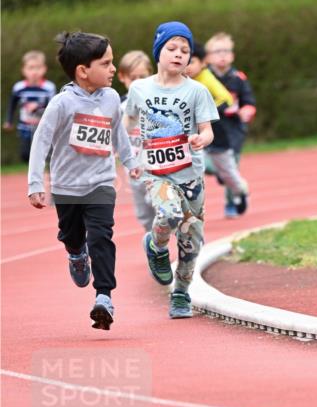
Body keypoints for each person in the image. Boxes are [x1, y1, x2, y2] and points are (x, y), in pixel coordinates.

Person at [27, 31, 139, 330]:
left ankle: (104, 296)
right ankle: (76, 254)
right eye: (106, 63)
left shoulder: (112, 98)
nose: (113, 69)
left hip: (101, 182)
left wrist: (130, 162)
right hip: (66, 187)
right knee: (72, 236)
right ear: (83, 71)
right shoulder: (61, 104)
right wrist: (35, 183)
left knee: (101, 236)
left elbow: (118, 134)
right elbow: (41, 142)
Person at [124, 21, 218, 319]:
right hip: (156, 172)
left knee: (191, 243)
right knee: (169, 213)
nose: (178, 54)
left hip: (191, 175)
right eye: (172, 48)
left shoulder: (197, 91)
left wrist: (201, 138)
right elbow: (127, 126)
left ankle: (180, 294)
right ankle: (157, 245)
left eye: (185, 50)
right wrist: (131, 157)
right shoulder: (140, 89)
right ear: (159, 52)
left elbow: (207, 130)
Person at [204, 32, 256, 218]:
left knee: (231, 169)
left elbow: (249, 101)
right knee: (205, 164)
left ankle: (233, 200)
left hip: (233, 131)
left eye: (226, 51)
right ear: (207, 57)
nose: (222, 55)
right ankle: (222, 173)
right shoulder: (203, 78)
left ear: (232, 55)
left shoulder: (238, 78)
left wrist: (247, 110)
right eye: (217, 51)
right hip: (210, 129)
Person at [117, 49, 155, 232]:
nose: (138, 82)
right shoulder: (119, 106)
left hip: (155, 165)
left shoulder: (157, 103)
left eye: (143, 77)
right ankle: (155, 244)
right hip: (133, 168)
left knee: (155, 199)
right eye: (133, 78)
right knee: (144, 214)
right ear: (122, 77)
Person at [4, 50, 56, 162]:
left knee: (44, 156)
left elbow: (53, 109)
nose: (34, 72)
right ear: (24, 70)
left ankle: (45, 175)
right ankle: (32, 176)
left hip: (42, 128)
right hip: (24, 128)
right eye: (31, 68)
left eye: (38, 68)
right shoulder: (19, 87)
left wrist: (37, 108)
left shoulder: (49, 88)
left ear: (44, 69)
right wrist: (8, 121)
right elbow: (12, 105)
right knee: (25, 155)